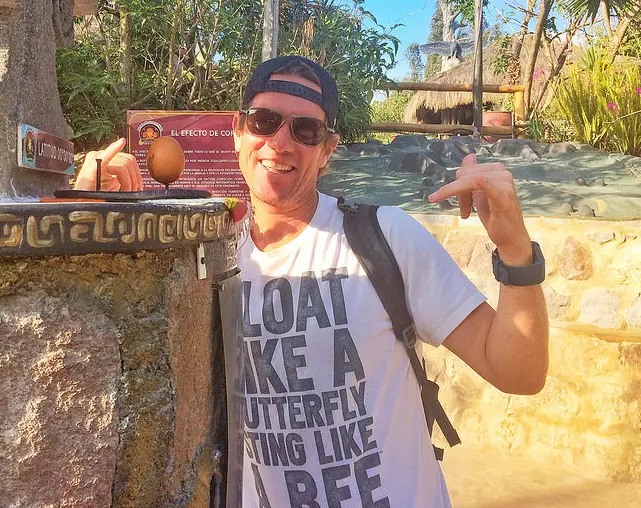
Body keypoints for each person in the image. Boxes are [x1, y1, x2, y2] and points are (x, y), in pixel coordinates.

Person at [75, 55, 548, 508]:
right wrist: (95, 222)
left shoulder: (385, 237)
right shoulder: (209, 256)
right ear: (238, 132)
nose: (281, 143)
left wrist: (515, 249)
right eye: (264, 121)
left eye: (305, 130)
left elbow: (517, 372)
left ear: (326, 151)